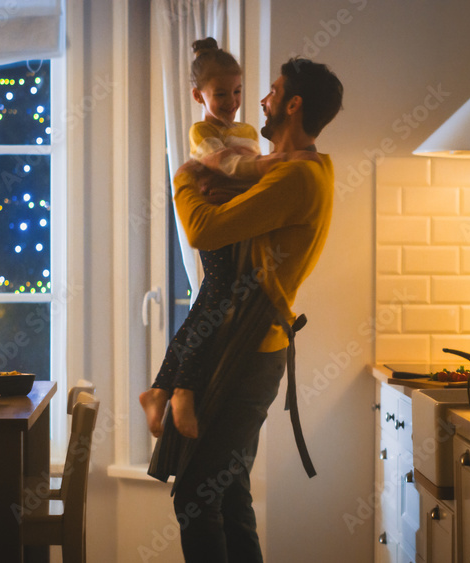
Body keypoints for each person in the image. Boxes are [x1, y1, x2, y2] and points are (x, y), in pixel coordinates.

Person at [150, 57, 344, 562]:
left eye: (273, 91)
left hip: (249, 350)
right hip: (251, 344)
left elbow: (202, 230)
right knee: (229, 493)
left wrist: (184, 176)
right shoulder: (299, 170)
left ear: (293, 104)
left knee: (196, 494)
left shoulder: (295, 177)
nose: (260, 98)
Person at [139, 37, 295, 440]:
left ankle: (160, 390)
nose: (232, 100)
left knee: (210, 301)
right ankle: (182, 392)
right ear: (198, 95)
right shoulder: (201, 130)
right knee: (216, 300)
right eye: (221, 93)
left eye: (238, 91)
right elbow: (223, 164)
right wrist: (271, 164)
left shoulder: (244, 129)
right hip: (215, 224)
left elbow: (239, 177)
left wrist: (246, 175)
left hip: (233, 224)